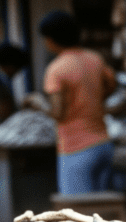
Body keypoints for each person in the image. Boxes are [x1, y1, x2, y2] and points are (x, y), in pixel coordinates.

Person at [39, 11, 118, 194]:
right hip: (103, 143)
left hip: (76, 148)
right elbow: (111, 85)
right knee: (102, 211)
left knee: (77, 214)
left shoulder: (56, 69)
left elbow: (59, 113)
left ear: (51, 39)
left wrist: (38, 104)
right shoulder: (95, 59)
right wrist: (94, 99)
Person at [0, 42, 28, 123]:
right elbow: (4, 111)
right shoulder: (2, 81)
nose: (16, 73)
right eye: (17, 69)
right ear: (11, 66)